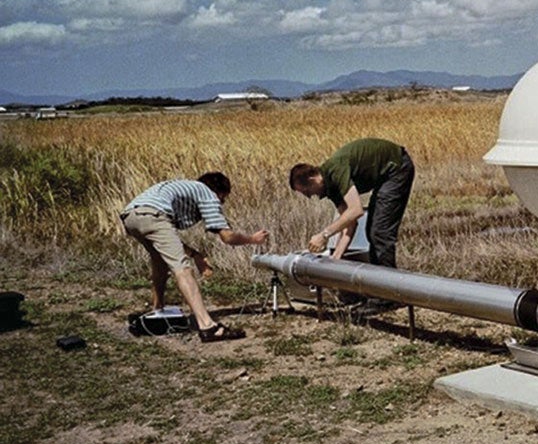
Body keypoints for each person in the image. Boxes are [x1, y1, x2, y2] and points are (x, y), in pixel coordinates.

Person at [121, 172, 269, 342]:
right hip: (153, 215)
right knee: (183, 269)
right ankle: (207, 326)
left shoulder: (185, 188)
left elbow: (167, 238)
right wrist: (252, 239)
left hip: (131, 216)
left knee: (160, 262)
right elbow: (227, 237)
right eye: (223, 198)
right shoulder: (207, 193)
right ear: (218, 192)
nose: (222, 203)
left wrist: (195, 254)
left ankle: (158, 310)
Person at [289, 137, 415, 314]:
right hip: (384, 176)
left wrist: (324, 235)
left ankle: (388, 296)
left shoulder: (335, 170)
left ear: (313, 178)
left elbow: (355, 210)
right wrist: (336, 258)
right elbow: (351, 223)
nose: (311, 197)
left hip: (397, 168)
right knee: (374, 230)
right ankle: (383, 290)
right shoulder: (330, 188)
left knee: (379, 232)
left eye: (307, 192)